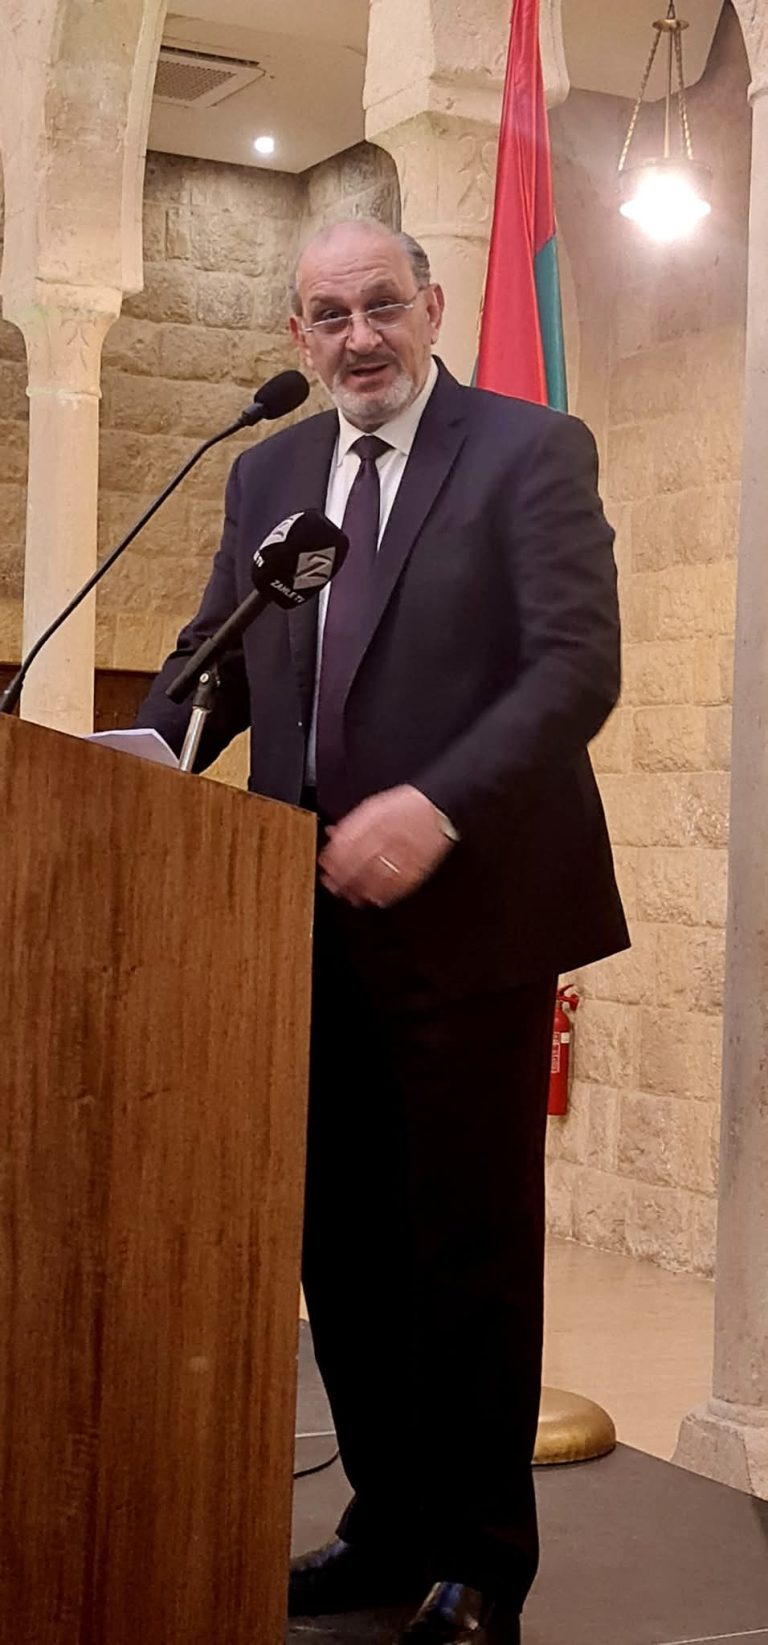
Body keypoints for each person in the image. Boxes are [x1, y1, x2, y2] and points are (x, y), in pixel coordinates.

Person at [136, 217, 629, 1645]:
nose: (359, 337)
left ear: (431, 307)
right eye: (330, 315)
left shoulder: (530, 451)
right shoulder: (269, 471)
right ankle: (389, 1519)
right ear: (298, 336)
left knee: (466, 1253)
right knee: (341, 1248)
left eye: (381, 306)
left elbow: (575, 668)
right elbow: (214, 657)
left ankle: (480, 1562)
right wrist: (133, 757)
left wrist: (437, 802)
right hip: (300, 921)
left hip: (473, 924)